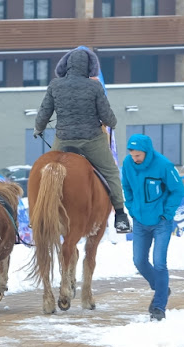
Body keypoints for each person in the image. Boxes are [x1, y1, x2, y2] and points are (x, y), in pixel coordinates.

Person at [34, 47, 131, 233]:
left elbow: (44, 113)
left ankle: (39, 215)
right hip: (92, 141)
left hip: (63, 141)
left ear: (66, 66)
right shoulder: (94, 86)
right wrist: (113, 122)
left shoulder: (55, 85)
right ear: (89, 67)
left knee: (45, 172)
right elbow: (108, 117)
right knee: (111, 172)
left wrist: (38, 129)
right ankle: (120, 215)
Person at [121, 134, 184, 321]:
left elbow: (178, 190)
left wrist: (167, 213)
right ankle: (162, 288)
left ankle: (159, 306)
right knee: (139, 260)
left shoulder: (163, 165)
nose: (135, 159)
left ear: (147, 153)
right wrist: (131, 208)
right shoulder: (127, 164)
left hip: (161, 222)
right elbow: (126, 187)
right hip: (140, 221)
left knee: (159, 263)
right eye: (133, 155)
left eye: (138, 155)